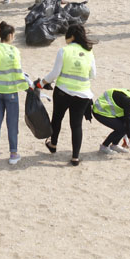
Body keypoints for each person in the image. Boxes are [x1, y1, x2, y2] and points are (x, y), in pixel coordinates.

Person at [39, 24, 96, 166]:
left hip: (63, 91)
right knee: (76, 125)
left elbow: (54, 73)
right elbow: (93, 74)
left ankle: (53, 144)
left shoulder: (64, 51)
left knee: (57, 118)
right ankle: (75, 157)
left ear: (72, 36)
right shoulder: (89, 52)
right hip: (83, 94)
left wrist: (41, 83)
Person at [0, 21, 28, 164]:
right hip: (11, 91)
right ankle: (13, 153)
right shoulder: (15, 51)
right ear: (10, 35)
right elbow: (19, 71)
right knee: (12, 123)